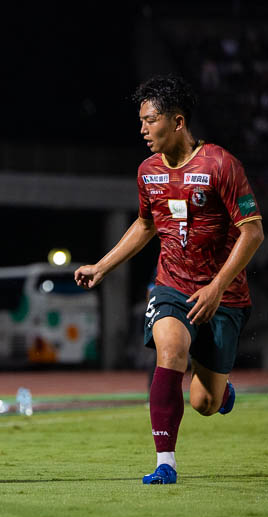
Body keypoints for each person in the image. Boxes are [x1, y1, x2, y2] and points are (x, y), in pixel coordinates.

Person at [75, 75, 263, 485]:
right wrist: (102, 266)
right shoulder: (147, 172)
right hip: (172, 285)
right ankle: (166, 463)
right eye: (141, 121)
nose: (143, 130)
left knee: (205, 403)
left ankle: (220, 389)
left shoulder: (220, 165)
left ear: (178, 122)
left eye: (150, 120)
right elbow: (145, 225)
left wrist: (216, 287)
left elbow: (253, 232)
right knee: (172, 351)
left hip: (223, 295)